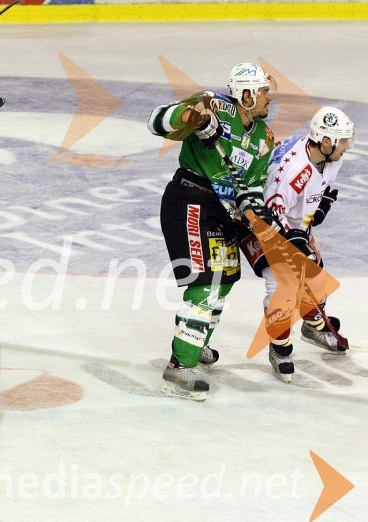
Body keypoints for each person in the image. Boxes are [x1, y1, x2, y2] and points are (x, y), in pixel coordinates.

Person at [147, 62, 280, 401]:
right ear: (246, 94)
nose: (269, 99)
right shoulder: (213, 104)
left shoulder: (264, 138)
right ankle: (179, 365)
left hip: (223, 212)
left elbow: (250, 187)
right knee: (206, 283)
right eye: (264, 92)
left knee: (225, 279)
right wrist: (192, 119)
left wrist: (257, 215)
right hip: (190, 198)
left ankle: (196, 340)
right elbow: (157, 121)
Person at [250, 107, 354, 382]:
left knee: (316, 275)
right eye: (343, 140)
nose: (348, 146)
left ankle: (313, 326)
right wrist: (291, 237)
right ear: (326, 141)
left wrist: (320, 204)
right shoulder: (292, 170)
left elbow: (322, 183)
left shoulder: (328, 155)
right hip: (264, 224)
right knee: (281, 290)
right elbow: (270, 208)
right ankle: (280, 348)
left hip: (295, 222)